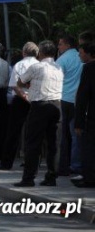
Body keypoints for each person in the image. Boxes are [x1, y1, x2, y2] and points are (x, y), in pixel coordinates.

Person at [15, 40, 64, 187]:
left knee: (33, 142)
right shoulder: (59, 67)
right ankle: (51, 176)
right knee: (53, 143)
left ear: (40, 53)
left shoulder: (36, 67)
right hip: (56, 105)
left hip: (39, 105)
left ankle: (28, 178)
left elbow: (20, 82)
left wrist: (30, 85)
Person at [0, 42, 39, 171]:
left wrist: (23, 96)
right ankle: (33, 161)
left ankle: (6, 162)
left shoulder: (19, 65)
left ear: (24, 52)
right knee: (34, 132)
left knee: (13, 131)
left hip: (21, 99)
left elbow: (14, 85)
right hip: (36, 99)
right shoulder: (40, 65)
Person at [57, 35, 83, 177]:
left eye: (60, 44)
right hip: (78, 101)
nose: (58, 47)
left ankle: (64, 164)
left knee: (63, 135)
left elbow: (55, 78)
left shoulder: (62, 60)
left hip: (64, 99)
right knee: (76, 134)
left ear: (67, 45)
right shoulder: (82, 56)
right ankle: (76, 164)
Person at [73, 42, 95, 187]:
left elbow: (82, 96)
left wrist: (79, 122)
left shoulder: (89, 68)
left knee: (90, 148)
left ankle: (90, 178)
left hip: (93, 116)